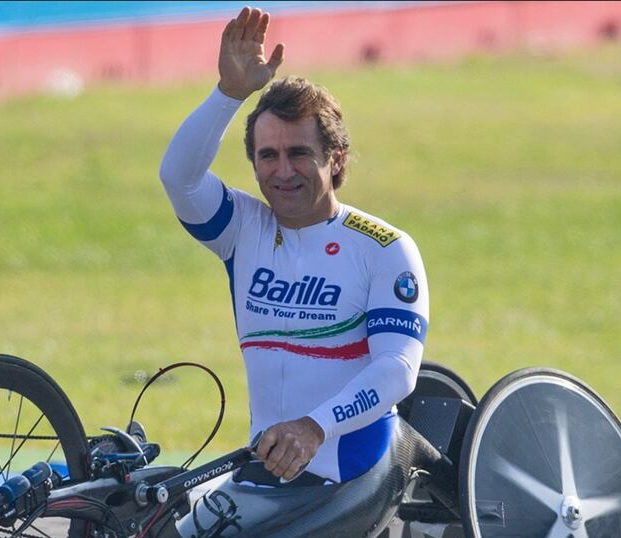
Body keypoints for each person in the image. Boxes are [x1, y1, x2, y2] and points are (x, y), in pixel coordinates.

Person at [159, 6, 428, 485]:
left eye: (299, 153)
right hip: (267, 466)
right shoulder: (242, 229)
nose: (282, 172)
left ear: (335, 157)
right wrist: (229, 94)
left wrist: (314, 428)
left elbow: (397, 369)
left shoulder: (386, 248)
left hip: (348, 465)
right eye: (268, 156)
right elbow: (178, 177)